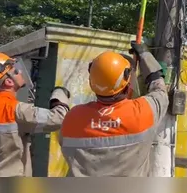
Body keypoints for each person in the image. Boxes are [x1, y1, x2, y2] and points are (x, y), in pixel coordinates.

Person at [59, 41, 169, 177]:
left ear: (92, 82)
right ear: (127, 83)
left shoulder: (72, 118)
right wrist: (144, 54)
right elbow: (159, 89)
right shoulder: (142, 112)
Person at [0, 51, 71, 177]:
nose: (20, 72)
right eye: (16, 71)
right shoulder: (16, 110)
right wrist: (59, 94)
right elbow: (58, 118)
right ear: (8, 82)